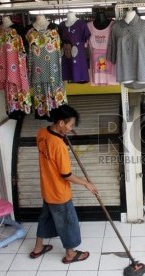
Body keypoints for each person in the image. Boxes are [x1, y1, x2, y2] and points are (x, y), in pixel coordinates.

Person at [30, 104, 98, 264]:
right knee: (68, 223)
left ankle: (38, 248)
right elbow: (66, 175)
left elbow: (48, 150)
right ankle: (70, 254)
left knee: (45, 218)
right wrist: (86, 183)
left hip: (47, 190)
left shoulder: (41, 133)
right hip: (59, 193)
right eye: (70, 125)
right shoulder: (59, 146)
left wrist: (62, 135)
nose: (71, 128)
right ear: (61, 123)